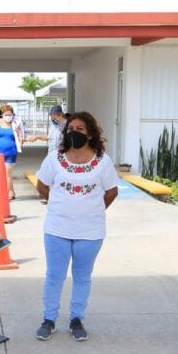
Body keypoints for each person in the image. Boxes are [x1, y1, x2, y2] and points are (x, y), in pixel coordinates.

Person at [33, 111, 120, 342]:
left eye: (80, 129)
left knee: (82, 277)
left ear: (90, 134)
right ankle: (48, 319)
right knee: (54, 276)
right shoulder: (54, 158)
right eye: (71, 128)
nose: (74, 132)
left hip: (90, 232)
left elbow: (112, 191)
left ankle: (76, 319)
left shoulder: (103, 161)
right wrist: (58, 204)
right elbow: (42, 185)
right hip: (57, 229)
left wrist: (94, 210)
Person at [0, 104, 23, 200]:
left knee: (7, 174)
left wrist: (19, 136)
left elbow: (20, 138)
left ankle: (8, 195)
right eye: (6, 114)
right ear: (2, 114)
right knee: (2, 174)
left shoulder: (15, 123)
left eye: (10, 114)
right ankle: (12, 192)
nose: (8, 116)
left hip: (11, 153)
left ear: (13, 114)